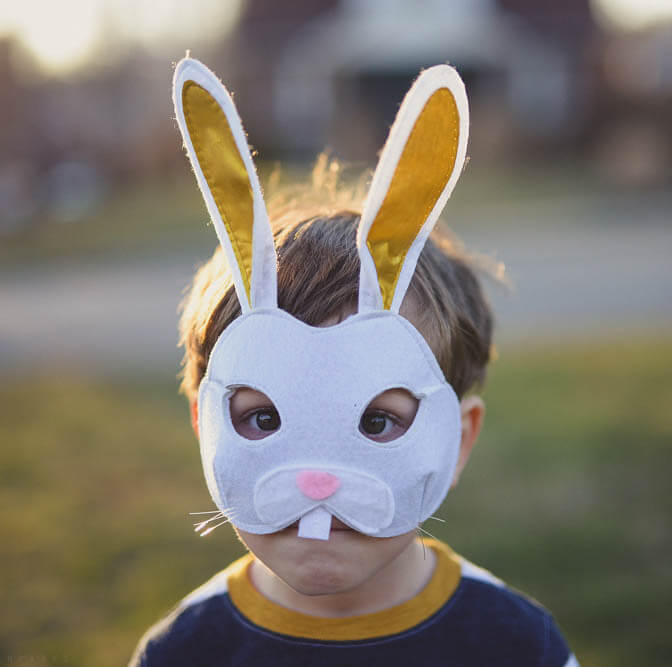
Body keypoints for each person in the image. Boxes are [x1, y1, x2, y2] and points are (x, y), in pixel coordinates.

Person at [129, 57, 577, 666]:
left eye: (378, 422)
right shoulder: (184, 653)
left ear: (461, 440)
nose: (319, 480)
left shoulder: (516, 647)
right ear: (203, 426)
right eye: (261, 419)